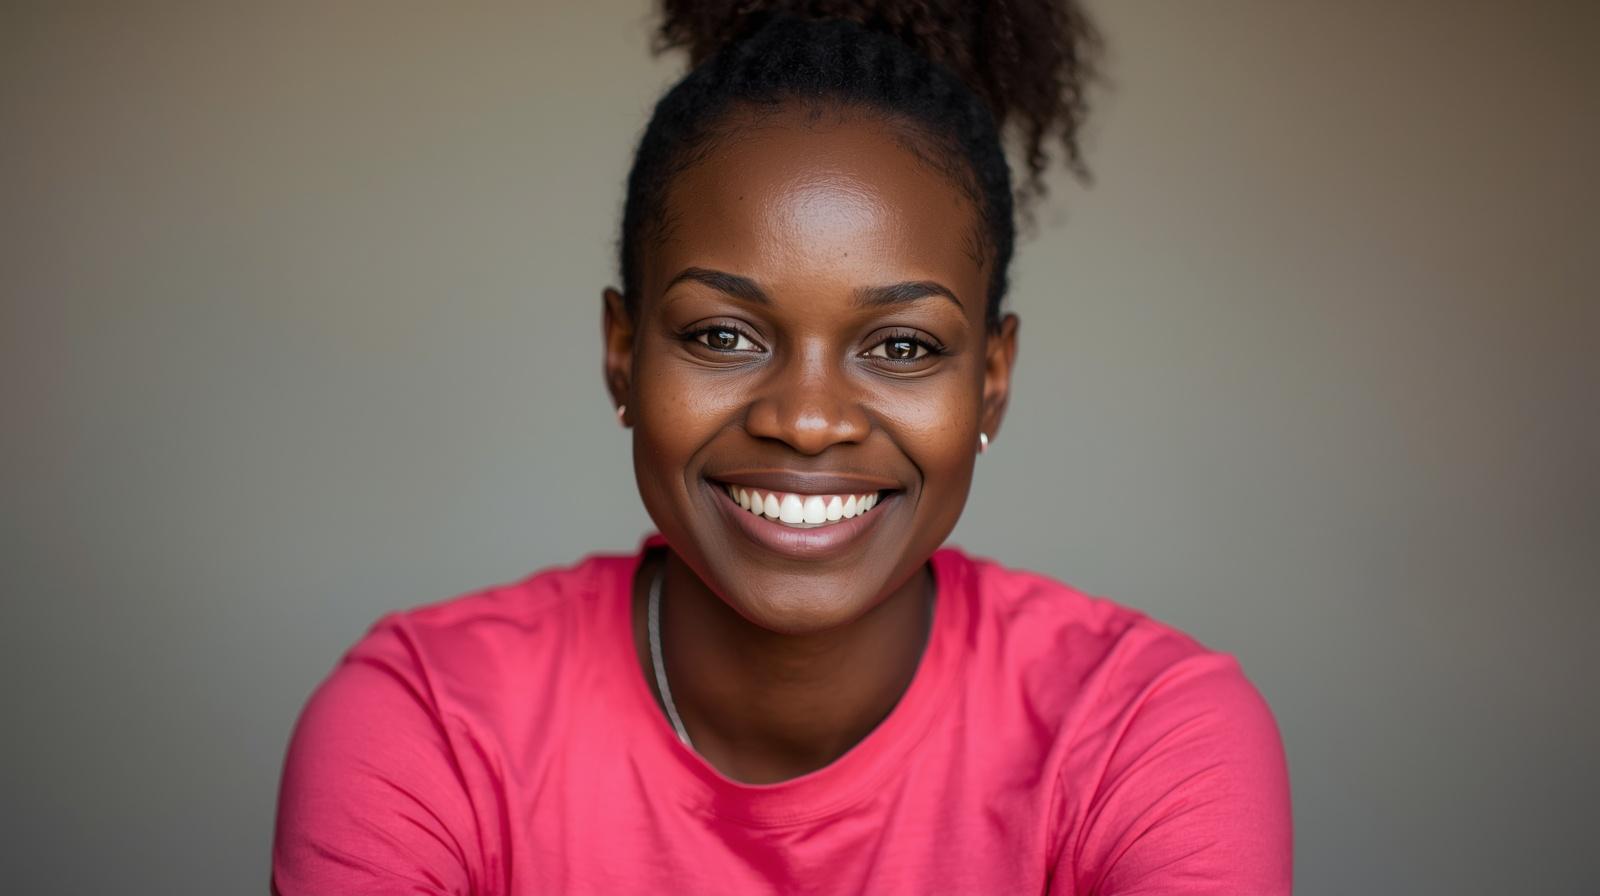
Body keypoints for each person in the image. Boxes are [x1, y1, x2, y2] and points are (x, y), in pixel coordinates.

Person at [271, 2, 1293, 893]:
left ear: (991, 378)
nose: (806, 419)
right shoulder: (423, 729)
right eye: (723, 334)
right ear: (622, 356)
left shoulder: (1147, 740)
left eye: (901, 345)